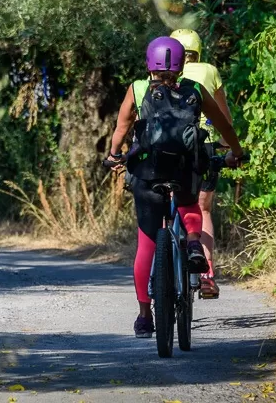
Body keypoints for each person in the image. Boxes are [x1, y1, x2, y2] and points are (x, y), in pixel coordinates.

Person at [104, 36, 245, 338]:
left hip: (147, 173)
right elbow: (223, 126)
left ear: (148, 64)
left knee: (146, 246)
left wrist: (114, 155)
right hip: (184, 170)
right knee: (189, 204)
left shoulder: (138, 89)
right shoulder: (194, 90)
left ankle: (144, 317)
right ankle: (194, 242)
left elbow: (121, 128)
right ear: (182, 66)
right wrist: (236, 151)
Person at [170, 29, 234, 299]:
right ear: (199, 51)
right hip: (204, 148)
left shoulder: (166, 73)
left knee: (172, 202)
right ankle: (207, 277)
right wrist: (228, 146)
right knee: (203, 210)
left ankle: (163, 268)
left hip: (171, 147)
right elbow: (222, 115)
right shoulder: (209, 71)